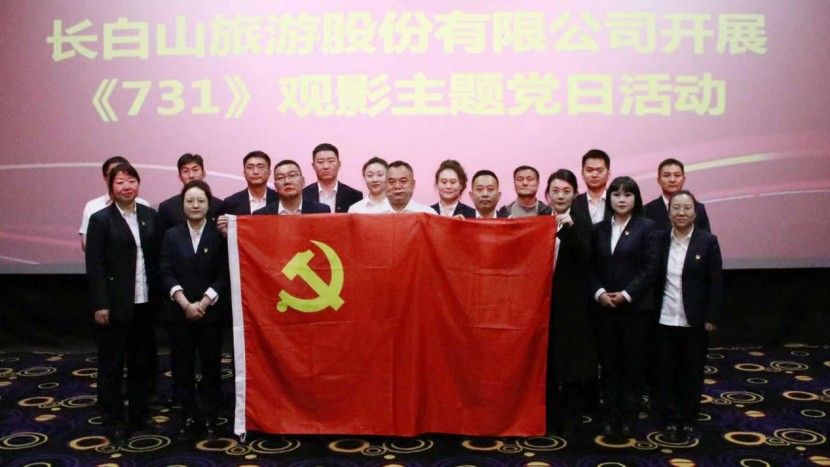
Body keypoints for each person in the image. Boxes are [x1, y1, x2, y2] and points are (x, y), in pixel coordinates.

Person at [85, 163, 161, 446]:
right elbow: (95, 265)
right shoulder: (100, 219)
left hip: (145, 302)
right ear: (111, 188)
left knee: (141, 363)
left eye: (131, 181)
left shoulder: (149, 215)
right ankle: (114, 421)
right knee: (112, 366)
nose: (126, 186)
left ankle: (140, 415)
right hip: (115, 305)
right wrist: (100, 304)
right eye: (120, 182)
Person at [160, 180, 229, 440]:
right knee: (182, 366)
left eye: (201, 201)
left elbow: (224, 274)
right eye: (190, 201)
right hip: (179, 314)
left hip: (211, 313)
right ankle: (188, 415)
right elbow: (165, 271)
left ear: (209, 205)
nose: (195, 205)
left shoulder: (219, 235)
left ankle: (211, 416)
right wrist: (185, 304)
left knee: (211, 365)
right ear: (183, 205)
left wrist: (203, 303)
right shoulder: (171, 235)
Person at [590, 176, 657, 439]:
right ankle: (610, 415)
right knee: (609, 364)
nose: (621, 199)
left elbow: (650, 268)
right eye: (616, 194)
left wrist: (627, 295)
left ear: (636, 199)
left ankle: (629, 417)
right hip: (604, 308)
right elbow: (590, 267)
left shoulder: (647, 228)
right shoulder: (599, 229)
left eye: (627, 195)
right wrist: (599, 293)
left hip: (635, 310)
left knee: (633, 364)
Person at [653, 190, 722, 443]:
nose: (681, 213)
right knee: (666, 372)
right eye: (676, 208)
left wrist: (711, 316)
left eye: (687, 208)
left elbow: (715, 282)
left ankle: (689, 419)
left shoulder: (708, 241)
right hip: (664, 319)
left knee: (692, 372)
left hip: (694, 320)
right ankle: (670, 419)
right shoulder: (660, 239)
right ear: (669, 212)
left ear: (695, 212)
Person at [544, 169, 599, 437]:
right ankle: (550, 416)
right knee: (548, 364)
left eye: (566, 191)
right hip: (544, 306)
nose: (560, 196)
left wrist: (571, 228)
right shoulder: (539, 221)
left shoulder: (583, 223)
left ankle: (572, 418)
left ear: (575, 195)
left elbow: (588, 258)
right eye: (555, 191)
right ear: (547, 195)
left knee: (573, 365)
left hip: (574, 308)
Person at [79, 156, 149, 251]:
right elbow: (87, 244)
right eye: (114, 174)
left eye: (129, 178)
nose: (126, 186)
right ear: (105, 178)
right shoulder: (93, 206)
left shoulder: (144, 205)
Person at [157, 153, 224, 233]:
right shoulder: (167, 208)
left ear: (203, 174)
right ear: (180, 177)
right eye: (185, 171)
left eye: (195, 170)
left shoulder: (219, 206)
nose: (191, 175)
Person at [217, 150, 278, 235]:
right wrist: (225, 232)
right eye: (250, 167)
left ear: (269, 173)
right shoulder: (230, 202)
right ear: (244, 173)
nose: (255, 172)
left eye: (260, 167)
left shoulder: (279, 199)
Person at [643, 158, 712, 232]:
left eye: (677, 175)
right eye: (667, 175)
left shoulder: (698, 208)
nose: (672, 180)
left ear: (683, 179)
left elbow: (706, 238)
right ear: (658, 180)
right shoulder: (646, 211)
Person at [302, 143, 364, 213]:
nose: (326, 166)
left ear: (339, 164)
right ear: (313, 166)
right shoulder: (303, 195)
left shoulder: (354, 195)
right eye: (320, 162)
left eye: (331, 161)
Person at [254, 160, 331, 215]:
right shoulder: (261, 215)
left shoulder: (321, 211)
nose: (287, 181)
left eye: (292, 175)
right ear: (275, 187)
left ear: (303, 181)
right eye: (280, 178)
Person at [573, 149, 612, 224]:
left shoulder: (616, 200)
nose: (594, 175)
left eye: (599, 170)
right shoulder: (574, 203)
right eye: (589, 170)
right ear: (582, 174)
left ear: (608, 174)